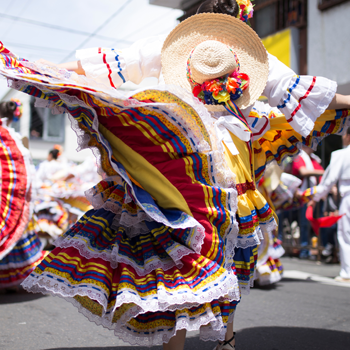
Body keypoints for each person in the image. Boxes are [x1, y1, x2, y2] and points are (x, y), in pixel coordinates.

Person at [1, 8, 350, 350]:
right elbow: (304, 93)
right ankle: (223, 339)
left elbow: (108, 64)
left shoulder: (167, 45)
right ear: (239, 23)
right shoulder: (250, 60)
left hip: (183, 167)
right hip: (215, 169)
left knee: (188, 263)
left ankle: (198, 342)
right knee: (216, 261)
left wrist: (38, 68)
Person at [0, 99, 46, 290]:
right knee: (14, 232)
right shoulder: (10, 138)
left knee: (13, 234)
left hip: (11, 195)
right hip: (12, 196)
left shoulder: (9, 138)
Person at [309, 127, 350, 283]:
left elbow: (328, 182)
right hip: (346, 194)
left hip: (348, 196)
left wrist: (315, 198)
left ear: (347, 136)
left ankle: (347, 273)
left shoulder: (341, 154)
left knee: (346, 234)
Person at [291, 145, 324, 258]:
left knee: (316, 223)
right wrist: (324, 173)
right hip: (303, 197)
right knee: (304, 224)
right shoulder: (299, 156)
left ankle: (319, 249)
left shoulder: (313, 159)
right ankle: (304, 250)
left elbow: (320, 171)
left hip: (315, 196)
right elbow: (303, 171)